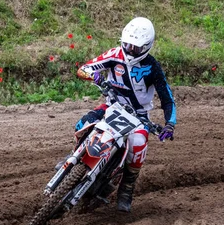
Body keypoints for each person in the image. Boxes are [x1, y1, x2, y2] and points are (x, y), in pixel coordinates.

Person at [72, 17, 177, 212]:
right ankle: (75, 159)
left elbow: (167, 99)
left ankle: (127, 187)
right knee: (82, 123)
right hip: (113, 106)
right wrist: (93, 75)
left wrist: (170, 124)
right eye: (127, 44)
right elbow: (83, 68)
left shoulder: (153, 67)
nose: (130, 49)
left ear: (147, 46)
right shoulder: (114, 54)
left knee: (138, 145)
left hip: (139, 116)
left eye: (135, 47)